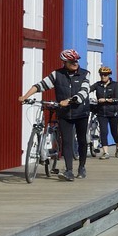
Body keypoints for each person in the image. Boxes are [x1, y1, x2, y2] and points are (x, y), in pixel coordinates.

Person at [21, 49, 93, 181]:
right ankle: (69, 171)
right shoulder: (57, 74)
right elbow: (40, 85)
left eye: (76, 61)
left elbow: (84, 92)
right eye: (72, 61)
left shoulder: (85, 74)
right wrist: (25, 96)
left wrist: (71, 100)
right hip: (64, 113)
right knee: (66, 141)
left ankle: (82, 167)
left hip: (81, 112)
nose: (75, 63)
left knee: (82, 141)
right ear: (64, 62)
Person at [92, 64, 118, 156]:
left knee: (114, 133)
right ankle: (105, 152)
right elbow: (88, 89)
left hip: (113, 112)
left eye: (105, 75)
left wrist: (105, 100)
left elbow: (116, 99)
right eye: (101, 74)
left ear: (109, 75)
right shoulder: (98, 85)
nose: (103, 76)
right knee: (103, 132)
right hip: (101, 112)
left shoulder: (115, 85)